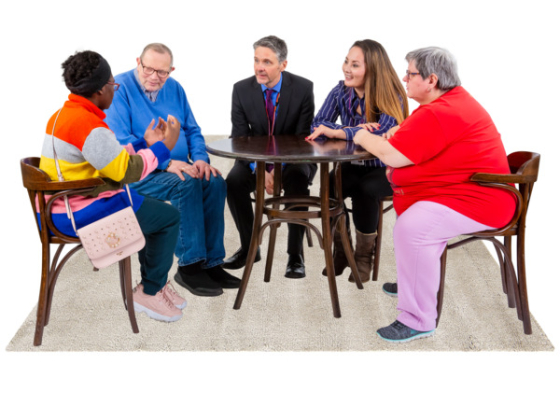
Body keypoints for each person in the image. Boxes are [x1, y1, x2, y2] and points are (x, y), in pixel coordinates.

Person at [351, 46, 516, 342]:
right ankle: (413, 282)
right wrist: (397, 132)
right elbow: (415, 138)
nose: (404, 78)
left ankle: (418, 320)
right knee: (414, 215)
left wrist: (360, 134)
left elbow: (391, 155)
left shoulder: (443, 111)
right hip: (470, 194)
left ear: (431, 80)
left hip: (483, 203)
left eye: (411, 73)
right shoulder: (448, 103)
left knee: (414, 228)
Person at [40, 50, 187, 323]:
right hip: (74, 215)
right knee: (168, 217)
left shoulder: (63, 115)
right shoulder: (89, 126)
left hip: (59, 207)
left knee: (153, 212)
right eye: (113, 85)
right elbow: (128, 172)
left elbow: (109, 159)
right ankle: (150, 290)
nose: (114, 90)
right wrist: (164, 147)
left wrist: (145, 144)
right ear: (99, 90)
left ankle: (154, 281)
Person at [105, 43, 240, 297]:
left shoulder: (175, 88)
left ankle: (212, 263)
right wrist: (165, 162)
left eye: (162, 72)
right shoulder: (120, 90)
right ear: (138, 62)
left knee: (213, 181)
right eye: (149, 69)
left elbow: (192, 129)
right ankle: (189, 266)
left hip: (178, 166)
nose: (154, 77)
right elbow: (122, 142)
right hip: (140, 173)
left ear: (171, 70)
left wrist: (200, 158)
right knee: (186, 184)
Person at [307, 39, 408, 283]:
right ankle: (342, 251)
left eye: (355, 65)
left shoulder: (392, 95)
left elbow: (381, 133)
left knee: (367, 190)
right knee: (330, 185)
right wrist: (356, 129)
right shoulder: (341, 91)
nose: (346, 69)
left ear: (372, 69)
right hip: (352, 165)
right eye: (346, 61)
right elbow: (318, 124)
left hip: (386, 168)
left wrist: (340, 131)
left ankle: (364, 259)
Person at [223, 35, 317, 279]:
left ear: (283, 65)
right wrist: (259, 167)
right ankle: (250, 247)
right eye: (256, 60)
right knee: (233, 182)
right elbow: (240, 138)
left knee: (297, 180)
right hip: (255, 158)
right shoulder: (241, 89)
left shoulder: (304, 88)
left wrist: (278, 168)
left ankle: (295, 255)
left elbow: (303, 137)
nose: (259, 67)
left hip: (295, 159)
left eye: (266, 62)